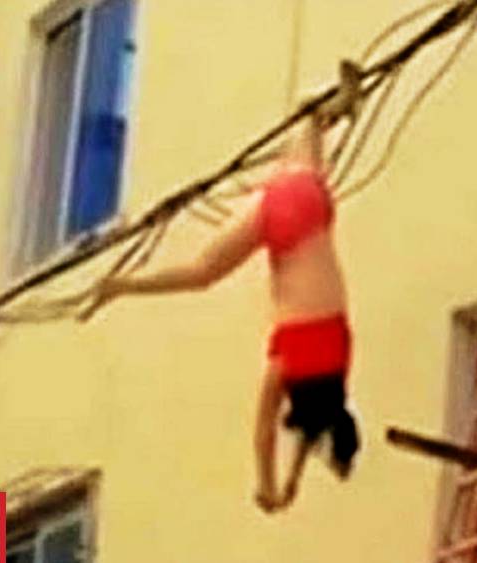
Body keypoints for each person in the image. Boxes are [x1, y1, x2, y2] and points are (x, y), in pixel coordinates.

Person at [80, 100, 361, 514]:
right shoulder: (292, 358)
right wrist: (267, 486)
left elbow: (316, 419)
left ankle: (317, 117)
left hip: (314, 201)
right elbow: (265, 430)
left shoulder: (337, 359)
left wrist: (292, 481)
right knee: (202, 272)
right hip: (285, 217)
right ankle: (121, 286)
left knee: (297, 166)